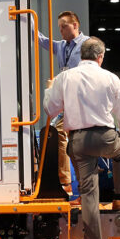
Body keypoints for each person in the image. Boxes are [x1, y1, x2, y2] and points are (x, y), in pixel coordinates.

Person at [43, 37, 120, 239]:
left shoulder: (65, 77)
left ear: (81, 55)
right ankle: (119, 196)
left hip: (78, 140)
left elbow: (49, 108)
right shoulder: (110, 77)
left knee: (88, 194)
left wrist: (49, 90)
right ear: (100, 56)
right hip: (105, 137)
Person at [38, 11, 91, 195]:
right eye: (59, 26)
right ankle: (66, 181)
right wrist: (27, 21)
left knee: (77, 144)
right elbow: (42, 41)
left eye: (64, 26)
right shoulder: (61, 46)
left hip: (82, 101)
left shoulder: (88, 44)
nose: (60, 30)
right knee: (60, 135)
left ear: (75, 25)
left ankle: (76, 184)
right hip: (66, 99)